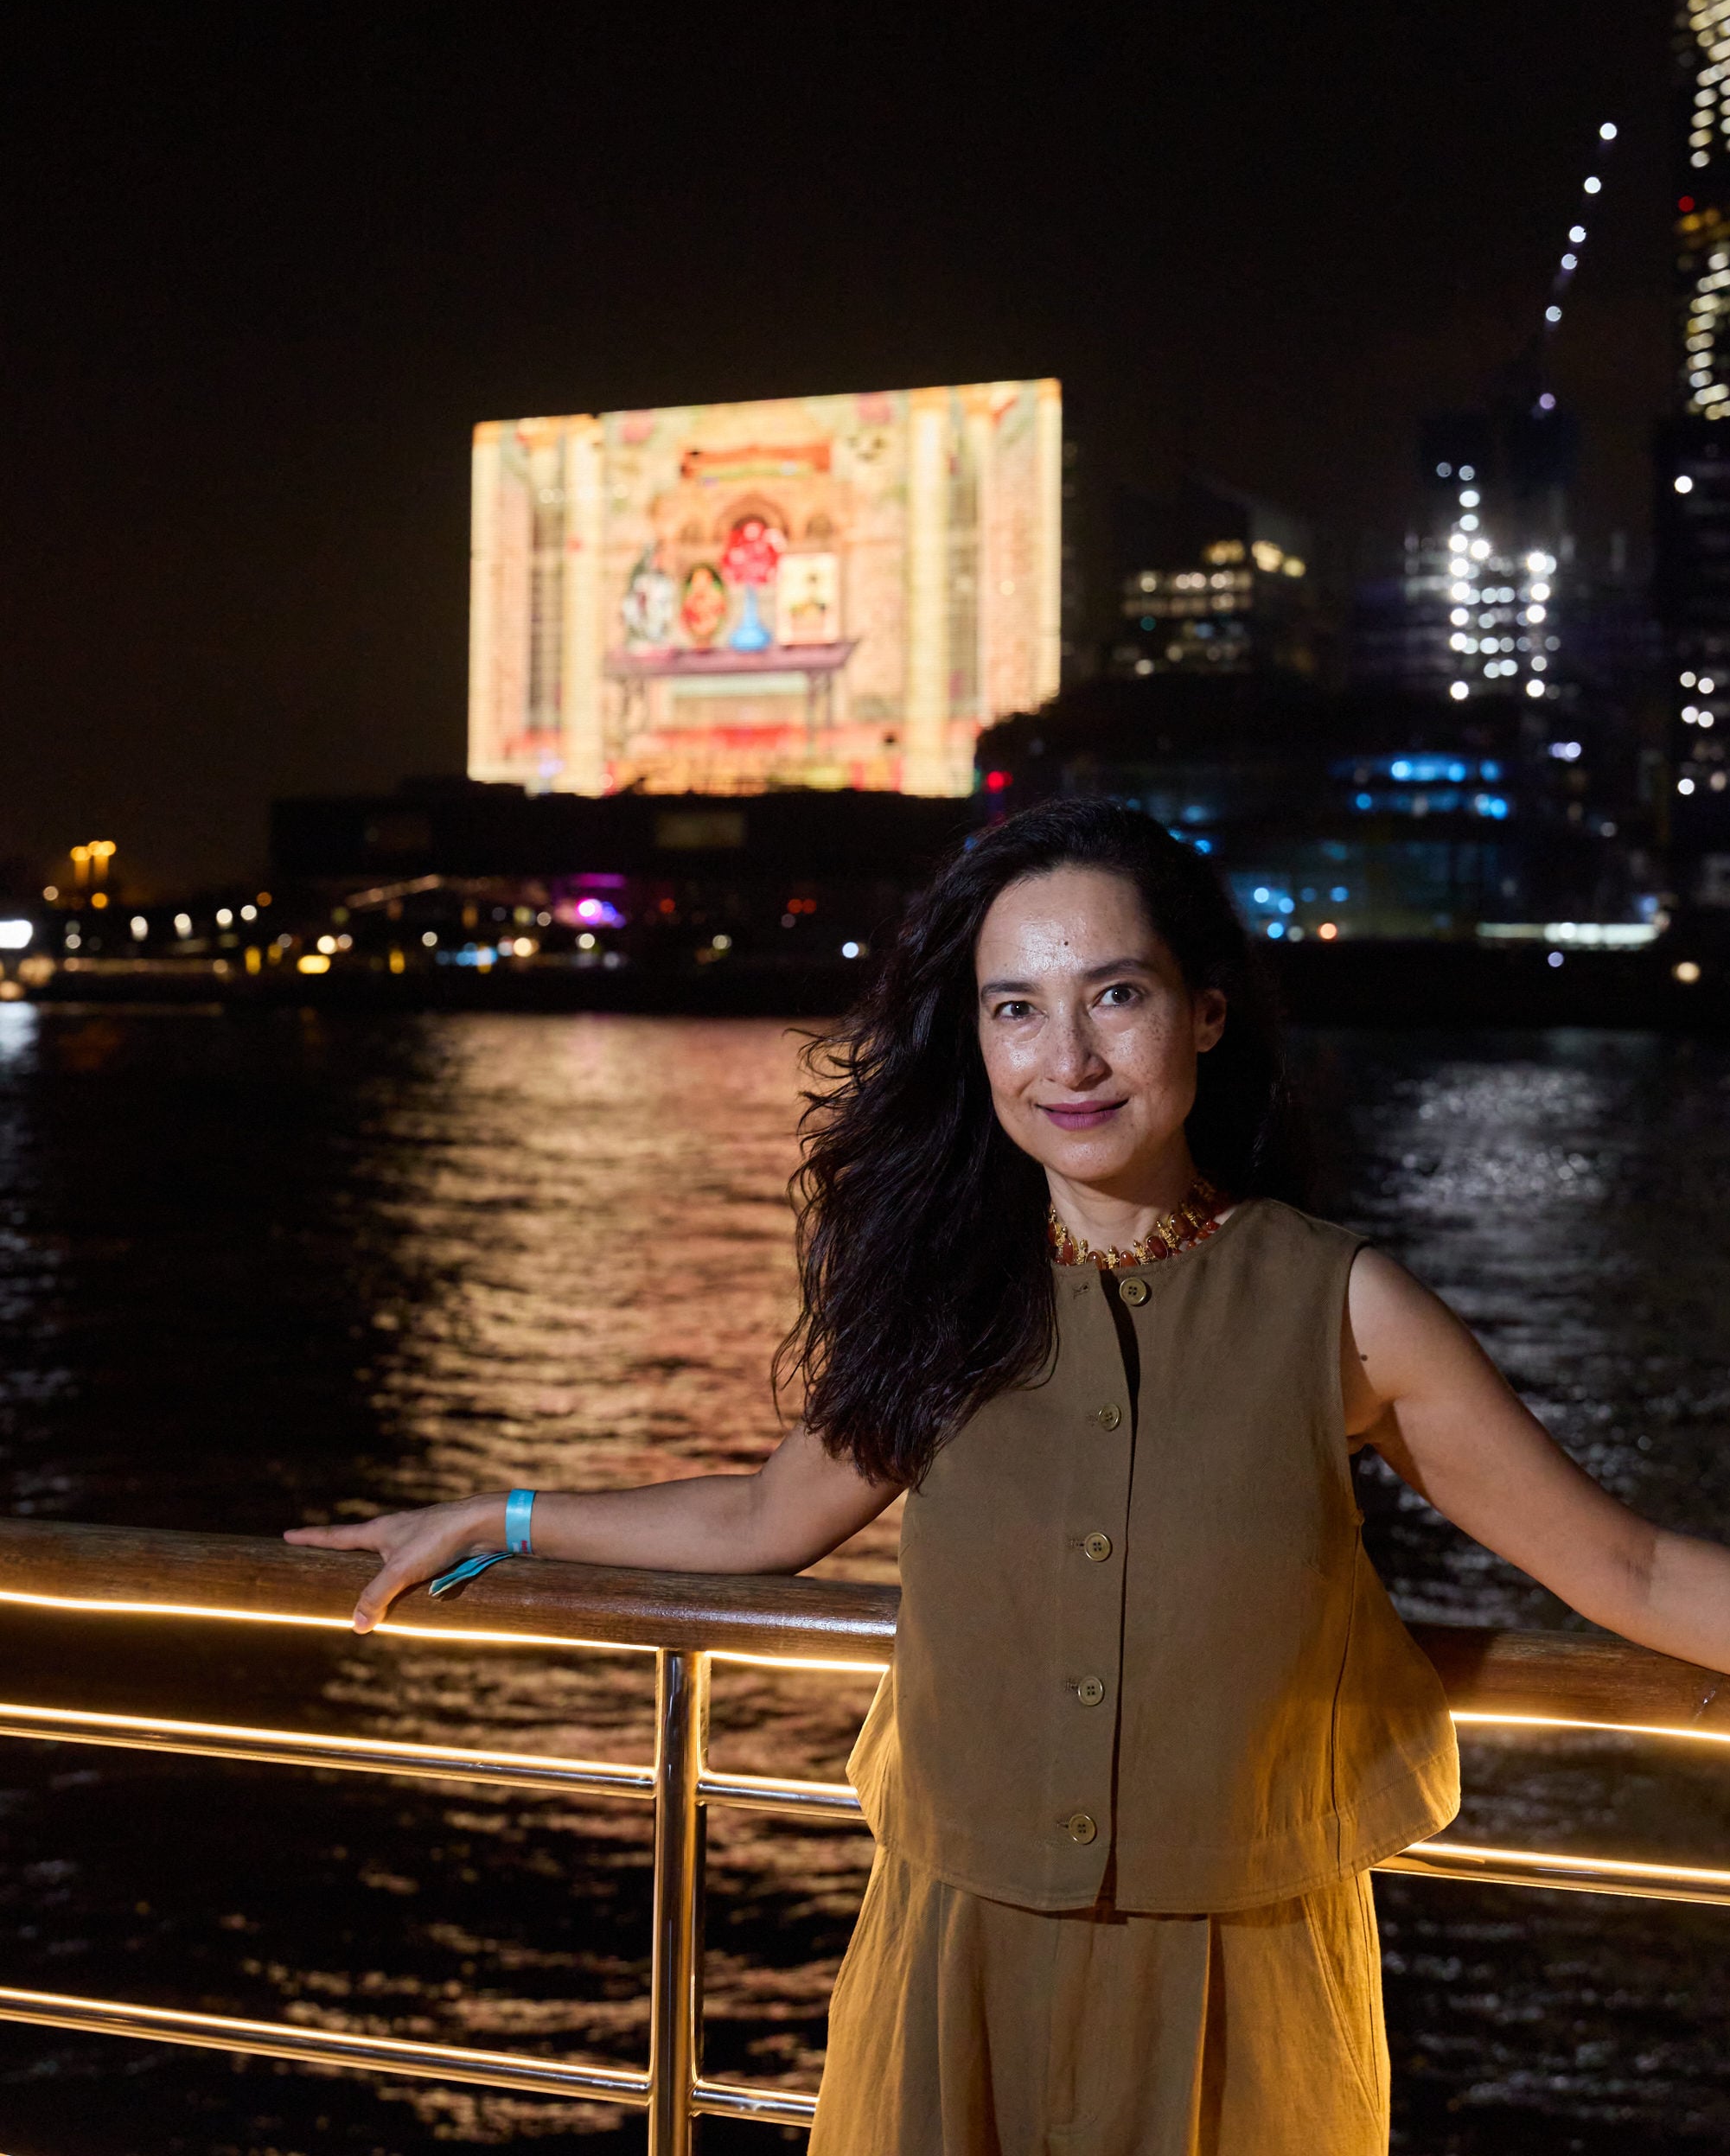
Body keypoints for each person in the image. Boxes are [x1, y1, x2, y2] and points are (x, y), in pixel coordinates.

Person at [287, 798, 1730, 2154]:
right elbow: (765, 1516)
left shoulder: (1339, 1306)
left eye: (1116, 995)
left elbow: (1627, 1567)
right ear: (974, 1040)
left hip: (1243, 1969)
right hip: (950, 1947)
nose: (1069, 1060)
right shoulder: (940, 1297)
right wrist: (500, 1515)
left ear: (1205, 1012)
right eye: (1016, 1009)